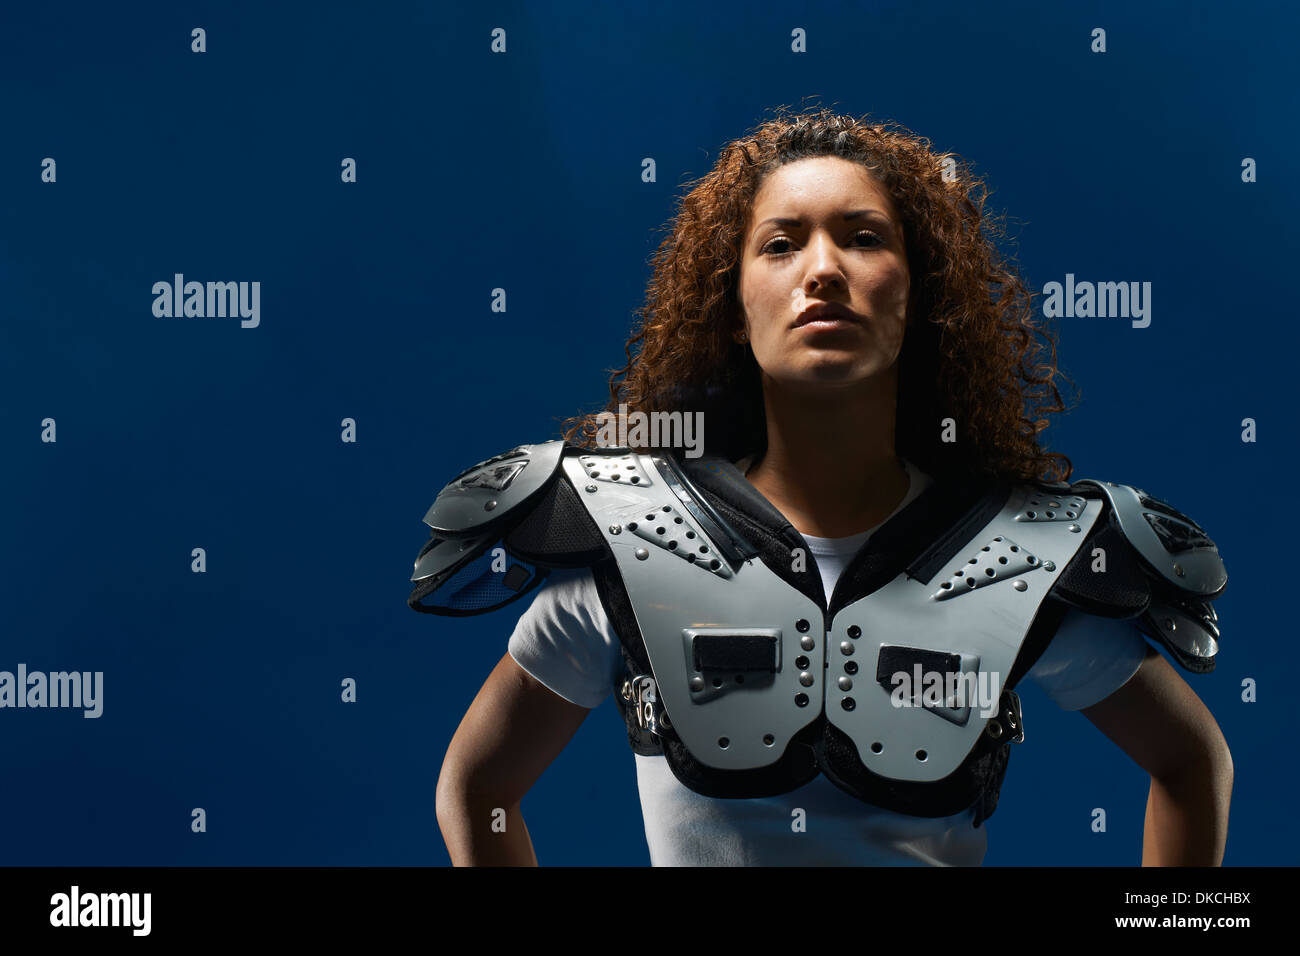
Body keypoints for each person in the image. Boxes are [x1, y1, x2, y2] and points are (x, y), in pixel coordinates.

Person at [419, 106, 1233, 866]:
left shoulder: (1021, 553)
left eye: (864, 238)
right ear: (735, 304)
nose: (823, 271)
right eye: (780, 244)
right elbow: (477, 789)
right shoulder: (631, 543)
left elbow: (1191, 763)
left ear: (918, 295)